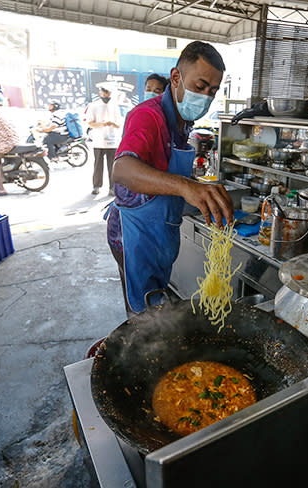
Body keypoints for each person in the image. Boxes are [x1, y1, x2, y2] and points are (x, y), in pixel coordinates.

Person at [106, 41, 234, 316]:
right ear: (176, 77)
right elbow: (123, 169)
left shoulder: (180, 123)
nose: (205, 97)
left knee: (155, 308)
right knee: (143, 318)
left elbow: (164, 178)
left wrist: (199, 190)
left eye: (212, 91)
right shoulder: (147, 116)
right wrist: (186, 186)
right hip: (135, 235)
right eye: (200, 87)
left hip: (160, 232)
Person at [86, 87, 122, 195]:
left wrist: (112, 123)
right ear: (100, 93)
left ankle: (112, 187)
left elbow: (119, 123)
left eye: (109, 93)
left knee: (112, 166)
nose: (107, 95)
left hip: (112, 140)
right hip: (98, 140)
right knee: (98, 164)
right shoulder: (94, 105)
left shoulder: (115, 106)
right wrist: (103, 124)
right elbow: (90, 123)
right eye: (105, 93)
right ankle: (96, 186)